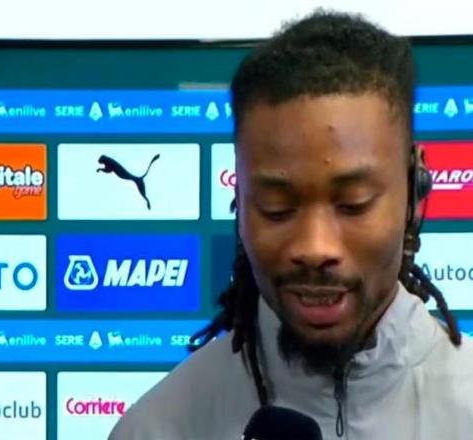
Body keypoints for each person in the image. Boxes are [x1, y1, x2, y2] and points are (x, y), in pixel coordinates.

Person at [109, 10, 473, 440]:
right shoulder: (156, 430)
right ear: (239, 202)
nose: (315, 247)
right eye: (276, 207)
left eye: (353, 204)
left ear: (414, 191)